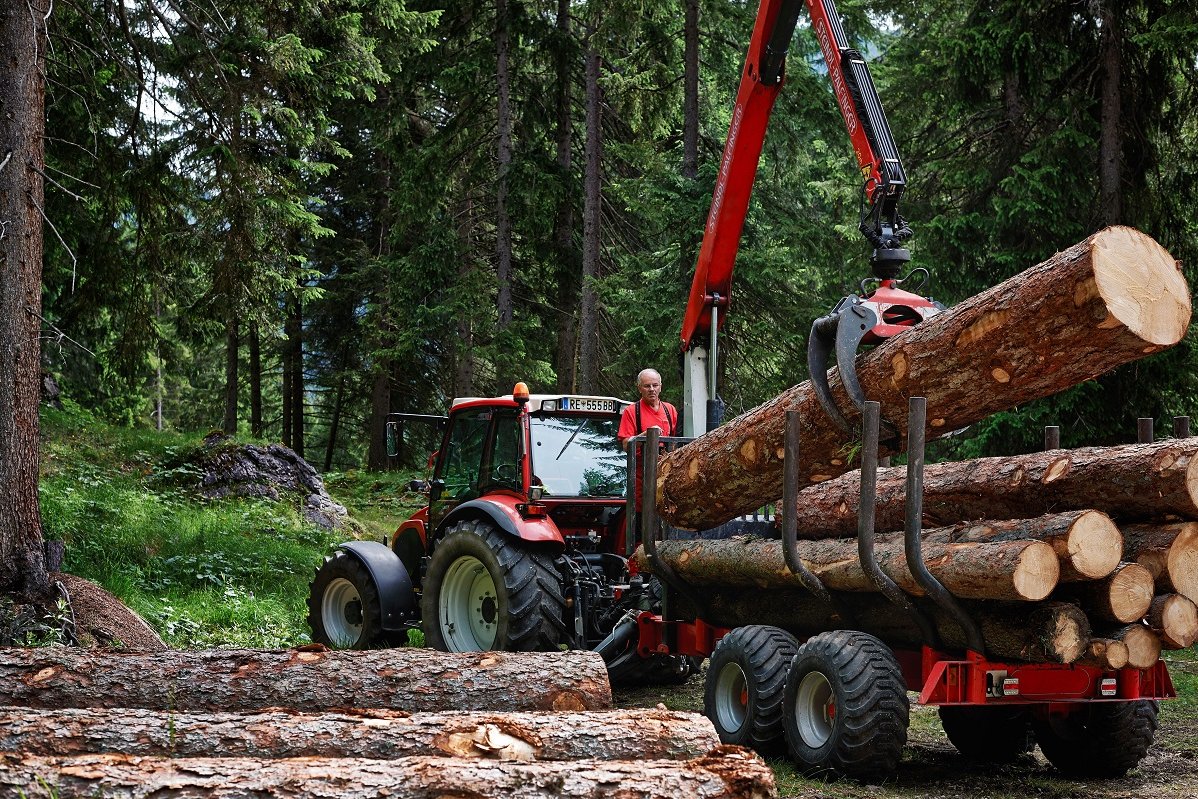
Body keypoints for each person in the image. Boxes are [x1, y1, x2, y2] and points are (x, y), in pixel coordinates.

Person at [618, 368, 678, 452]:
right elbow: (626, 446)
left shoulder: (670, 409)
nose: (652, 389)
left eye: (655, 385)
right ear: (639, 388)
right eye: (647, 386)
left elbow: (675, 441)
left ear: (660, 387)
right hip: (641, 464)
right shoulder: (631, 411)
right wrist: (647, 434)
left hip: (666, 463)